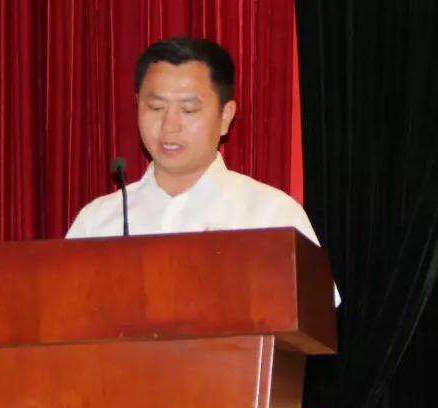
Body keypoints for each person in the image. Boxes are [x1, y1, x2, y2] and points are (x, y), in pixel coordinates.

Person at [65, 36, 339, 304]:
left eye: (189, 110)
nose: (170, 125)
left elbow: (315, 313)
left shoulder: (270, 215)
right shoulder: (98, 221)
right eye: (156, 107)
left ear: (225, 116)